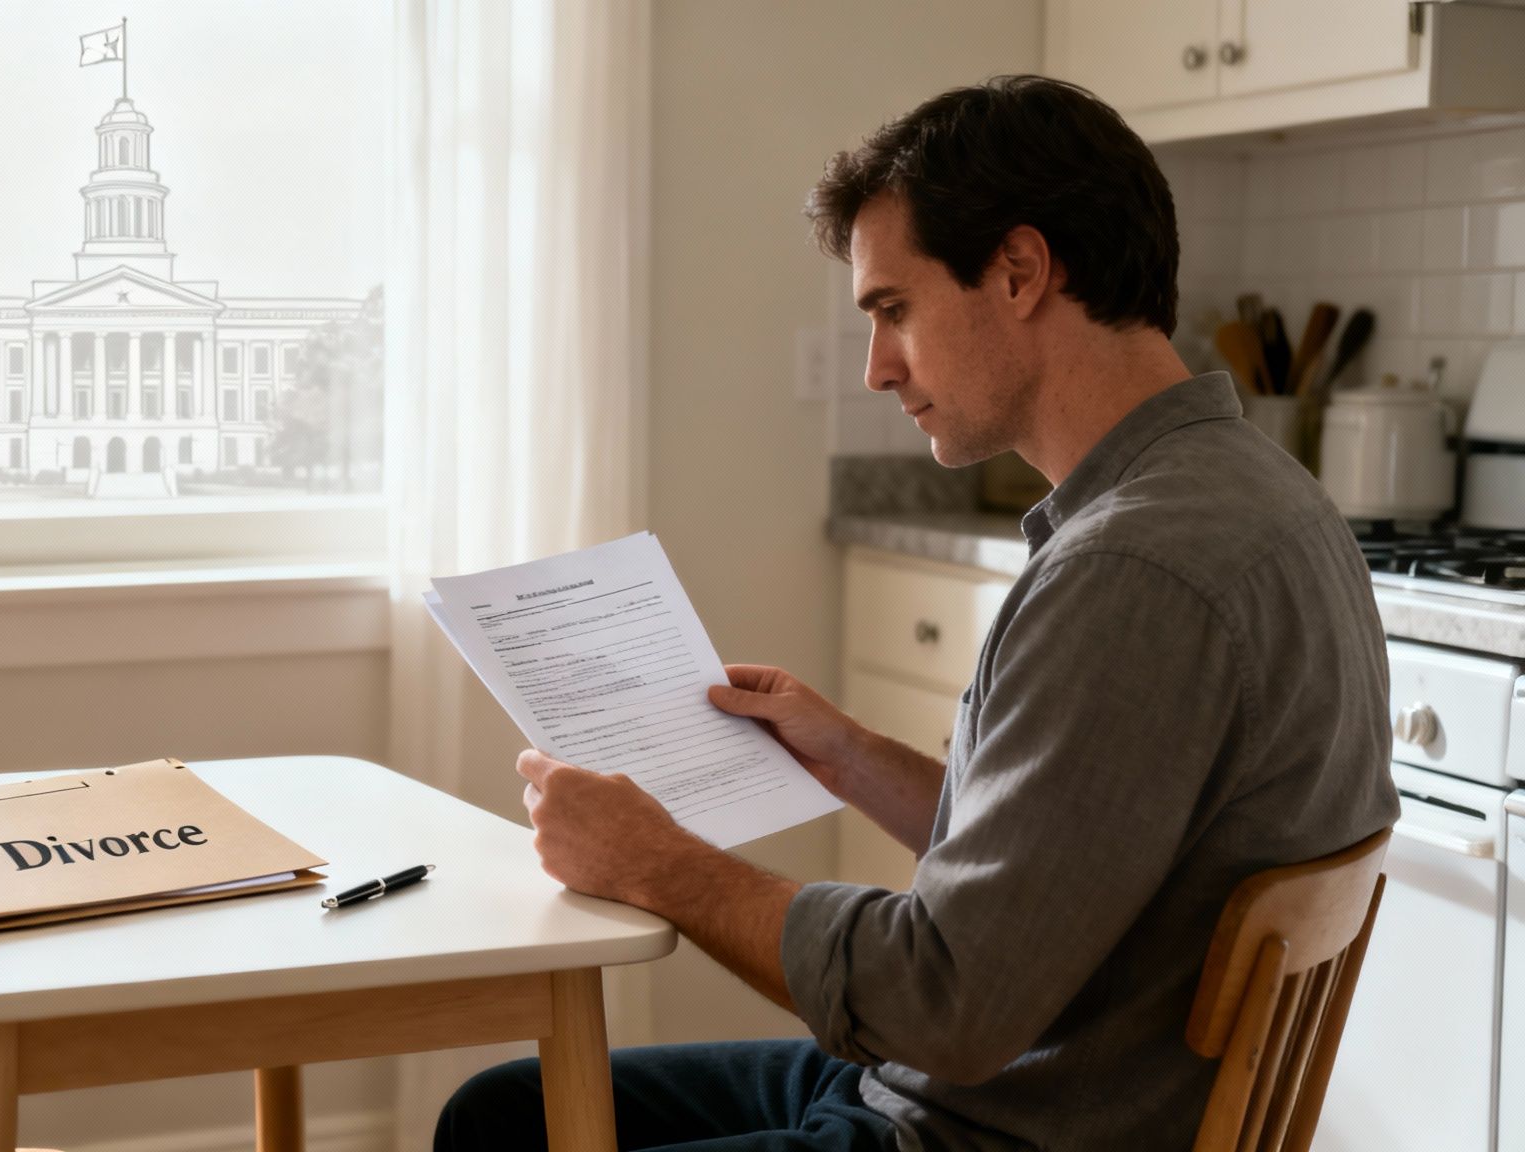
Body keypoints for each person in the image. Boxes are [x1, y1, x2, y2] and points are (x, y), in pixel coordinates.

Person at [433, 74, 1398, 1152]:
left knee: (506, 1131)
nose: (875, 366)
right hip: (996, 1092)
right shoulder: (1260, 500)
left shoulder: (1131, 569)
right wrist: (847, 756)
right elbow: (1077, 859)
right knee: (503, 1112)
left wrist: (655, 864)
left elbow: (944, 1002)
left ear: (1019, 271)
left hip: (976, 1130)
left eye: (892, 308)